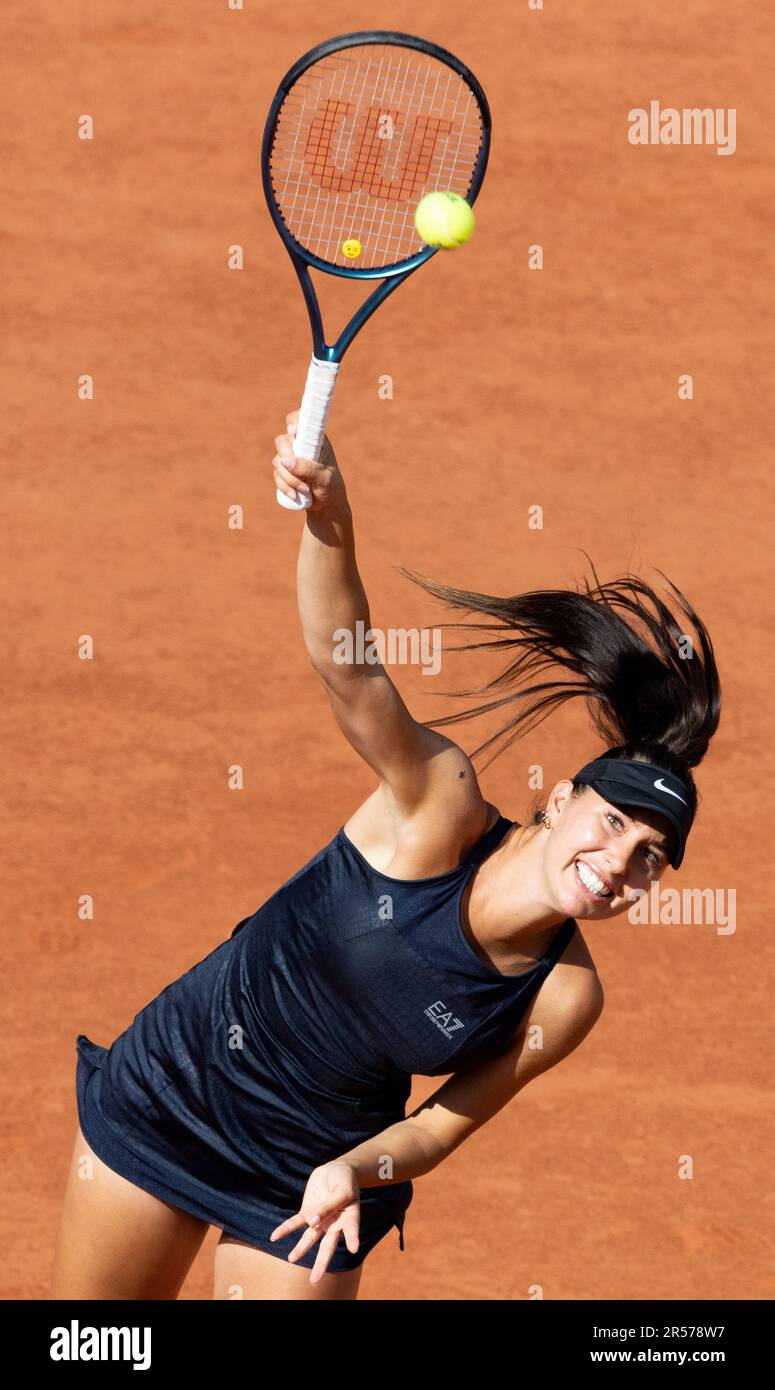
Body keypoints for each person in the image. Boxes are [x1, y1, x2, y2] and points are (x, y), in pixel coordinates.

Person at [50, 413, 721, 1301]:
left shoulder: (564, 994)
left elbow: (442, 1127)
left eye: (648, 859)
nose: (616, 863)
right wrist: (329, 513)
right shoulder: (437, 808)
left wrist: (356, 1172)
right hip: (172, 1091)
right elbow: (349, 666)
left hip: (305, 1180)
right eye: (610, 823)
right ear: (560, 799)